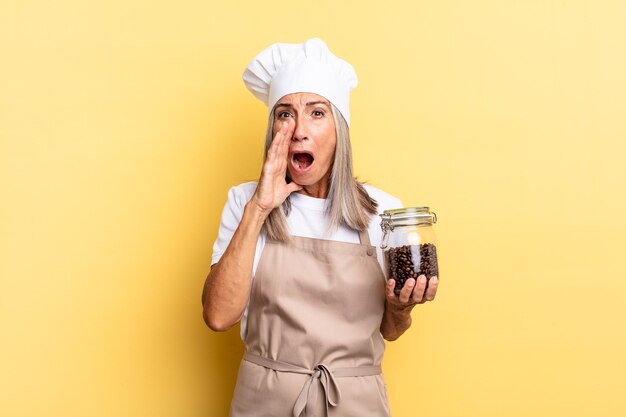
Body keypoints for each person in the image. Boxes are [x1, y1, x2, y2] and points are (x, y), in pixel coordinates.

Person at [202, 38, 438, 417]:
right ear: (273, 128)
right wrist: (259, 208)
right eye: (284, 114)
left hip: (356, 406)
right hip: (264, 403)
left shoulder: (383, 212)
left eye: (316, 113)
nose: (298, 130)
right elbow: (218, 316)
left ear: (339, 129)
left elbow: (390, 329)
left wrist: (400, 308)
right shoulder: (245, 202)